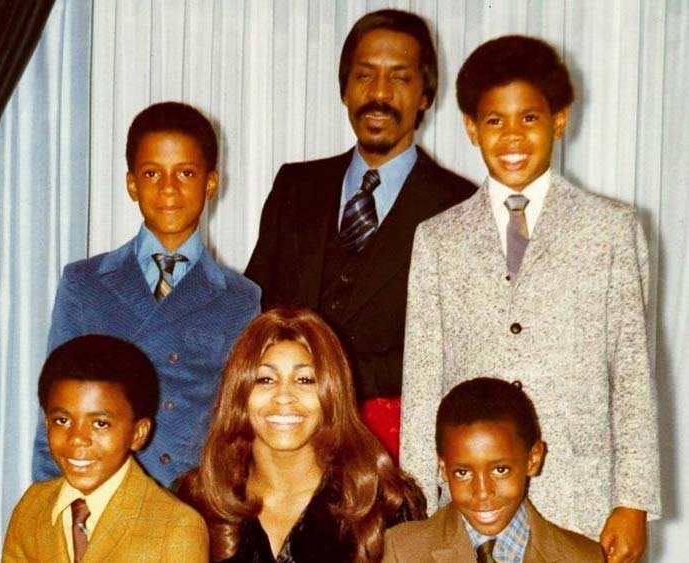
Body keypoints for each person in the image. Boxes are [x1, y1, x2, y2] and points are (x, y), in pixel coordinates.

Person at [400, 35, 659, 562]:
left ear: (559, 120)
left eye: (530, 119)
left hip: (581, 499)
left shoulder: (610, 229)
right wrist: (421, 501)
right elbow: (422, 378)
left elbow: (632, 371)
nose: (512, 136)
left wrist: (632, 501)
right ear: (471, 128)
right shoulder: (438, 238)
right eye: (495, 121)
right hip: (471, 502)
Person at [244, 9, 477, 460]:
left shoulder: (461, 205)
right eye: (365, 76)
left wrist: (332, 381)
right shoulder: (294, 186)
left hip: (393, 451)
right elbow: (257, 308)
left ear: (425, 95)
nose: (379, 95)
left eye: (400, 79)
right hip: (286, 442)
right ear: (344, 89)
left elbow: (456, 347)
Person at [32, 102, 260, 488]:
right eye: (152, 173)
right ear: (131, 184)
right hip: (103, 499)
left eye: (185, 173)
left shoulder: (240, 298)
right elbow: (54, 410)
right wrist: (48, 506)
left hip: (195, 505)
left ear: (210, 182)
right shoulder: (85, 283)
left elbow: (240, 427)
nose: (169, 188)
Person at [178, 308, 426, 563]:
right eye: (265, 379)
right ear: (240, 394)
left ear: (332, 393)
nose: (284, 396)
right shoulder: (195, 502)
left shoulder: (385, 503)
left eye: (305, 380)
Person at [3, 335, 208, 562]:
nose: (77, 439)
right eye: (62, 420)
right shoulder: (32, 506)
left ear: (138, 434)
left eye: (100, 424)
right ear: (46, 423)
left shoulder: (176, 526)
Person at [384, 377, 604, 563]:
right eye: (463, 473)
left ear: (533, 459)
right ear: (443, 468)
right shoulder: (402, 551)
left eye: (500, 470)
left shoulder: (584, 557)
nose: (482, 492)